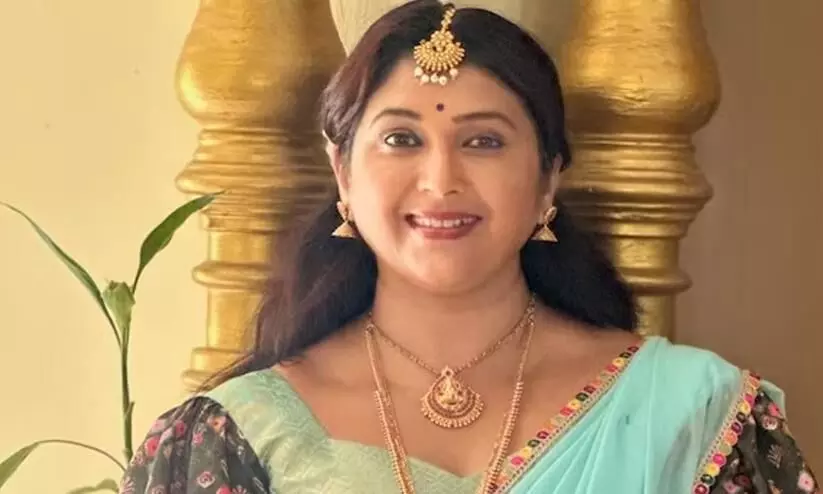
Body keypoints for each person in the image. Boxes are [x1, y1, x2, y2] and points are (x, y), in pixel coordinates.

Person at [119, 1, 818, 493]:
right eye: (401, 139)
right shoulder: (232, 436)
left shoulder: (693, 416)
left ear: (548, 176)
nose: (440, 179)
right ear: (343, 173)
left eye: (484, 141)